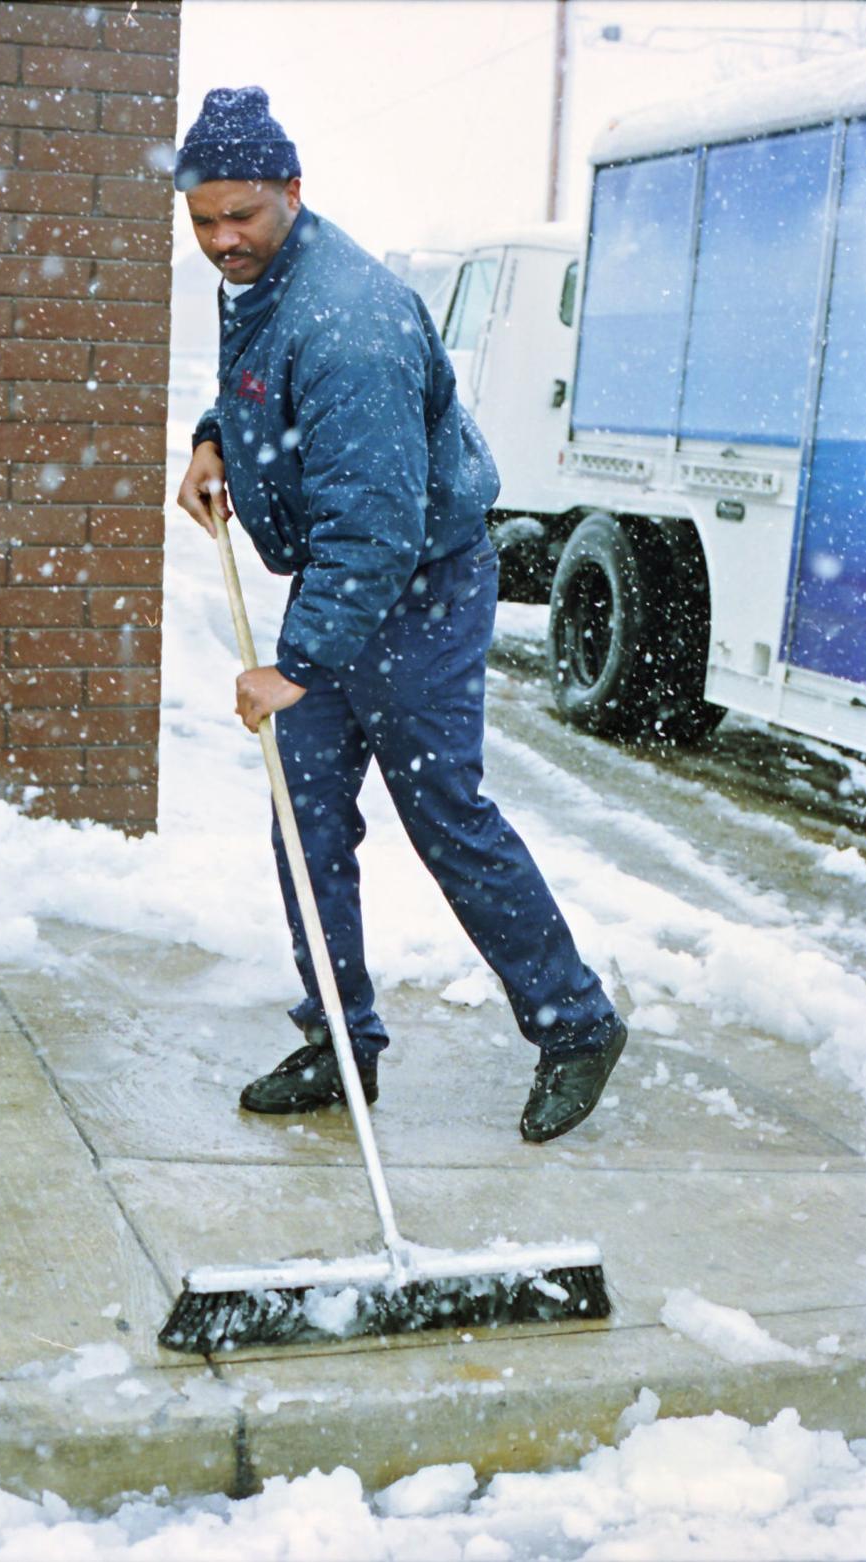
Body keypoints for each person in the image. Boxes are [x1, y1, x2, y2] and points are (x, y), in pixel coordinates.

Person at [174, 86, 626, 1143]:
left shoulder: (351, 321)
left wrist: (296, 664)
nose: (221, 237)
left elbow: (375, 527)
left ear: (293, 190)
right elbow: (255, 389)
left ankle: (575, 1020)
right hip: (349, 576)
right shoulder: (259, 278)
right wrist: (211, 438)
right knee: (307, 818)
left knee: (444, 814)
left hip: (417, 586)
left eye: (240, 213)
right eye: (202, 219)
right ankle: (340, 1037)